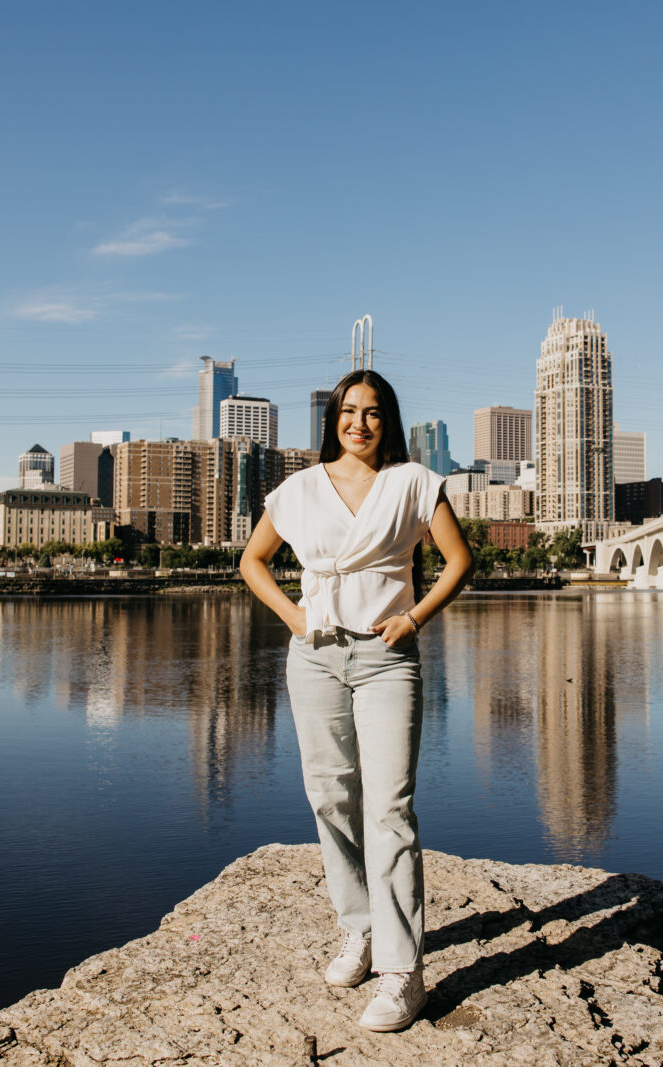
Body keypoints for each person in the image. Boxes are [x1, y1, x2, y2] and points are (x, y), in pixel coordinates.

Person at [239, 369, 473, 1032]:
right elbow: (253, 560)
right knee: (330, 796)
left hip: (386, 659)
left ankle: (404, 972)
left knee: (390, 807)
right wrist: (292, 615)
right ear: (333, 419)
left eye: (372, 413)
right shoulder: (300, 489)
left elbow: (459, 560)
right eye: (348, 411)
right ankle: (360, 930)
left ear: (388, 420)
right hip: (313, 657)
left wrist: (415, 617)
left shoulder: (414, 483)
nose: (359, 424)